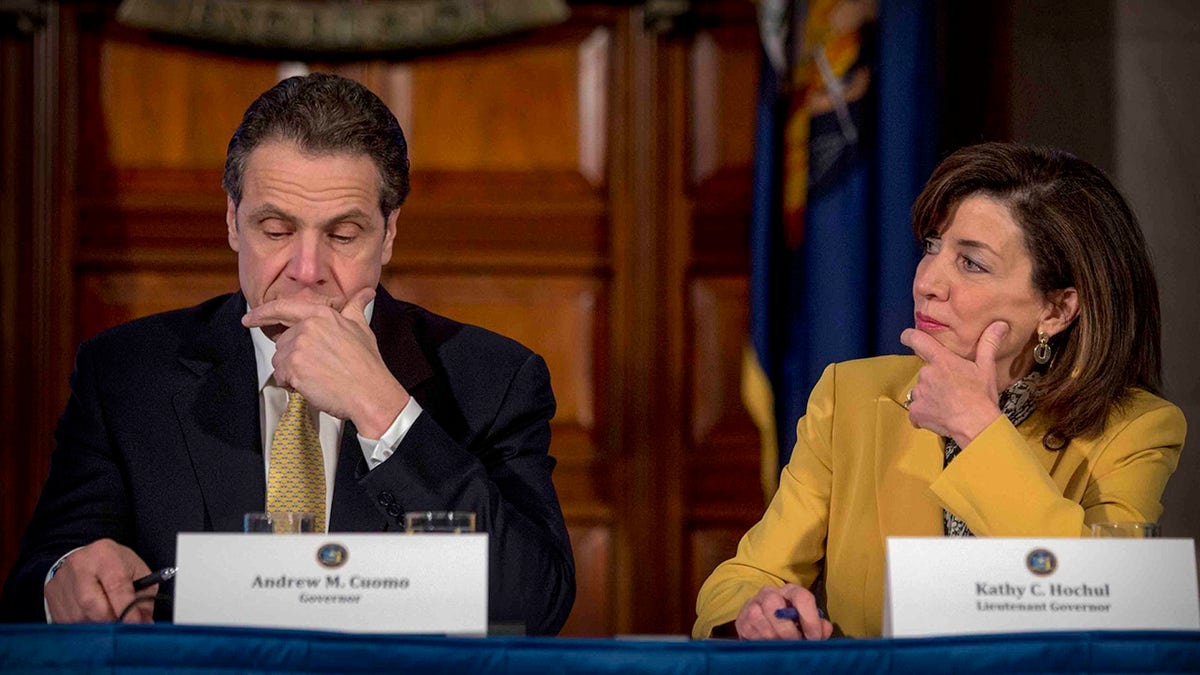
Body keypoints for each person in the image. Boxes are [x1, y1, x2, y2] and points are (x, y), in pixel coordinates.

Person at [0, 73, 576, 635]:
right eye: (275, 230)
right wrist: (65, 579)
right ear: (232, 221)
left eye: (343, 236)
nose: (306, 272)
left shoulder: (493, 378)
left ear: (390, 232)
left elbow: (531, 606)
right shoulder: (126, 374)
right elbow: (35, 582)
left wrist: (383, 409)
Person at [694, 142, 1186, 640]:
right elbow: (744, 578)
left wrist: (978, 427)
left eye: (971, 264)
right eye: (932, 246)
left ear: (1057, 310)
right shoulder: (851, 397)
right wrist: (754, 612)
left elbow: (1111, 600)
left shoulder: (1136, 429)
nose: (928, 280)